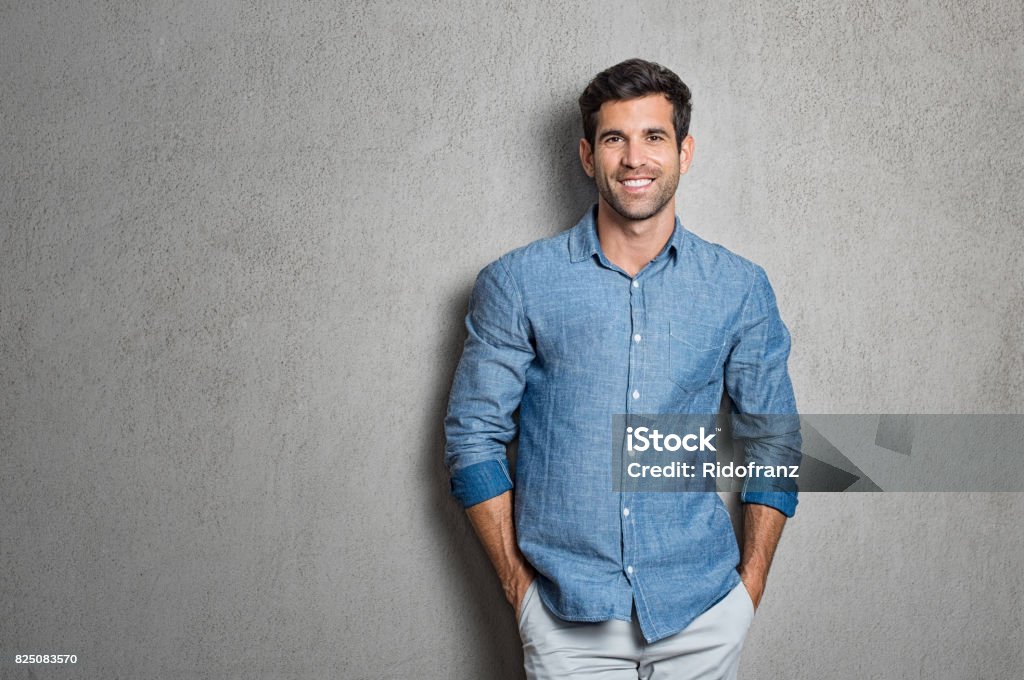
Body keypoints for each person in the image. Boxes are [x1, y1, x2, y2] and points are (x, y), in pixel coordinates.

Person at [444, 58, 801, 679]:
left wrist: (748, 592)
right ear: (588, 156)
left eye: (654, 137)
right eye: (616, 138)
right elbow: (472, 436)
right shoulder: (517, 284)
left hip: (702, 613)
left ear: (684, 152)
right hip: (565, 617)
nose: (635, 158)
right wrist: (519, 592)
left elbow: (774, 440)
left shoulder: (739, 288)